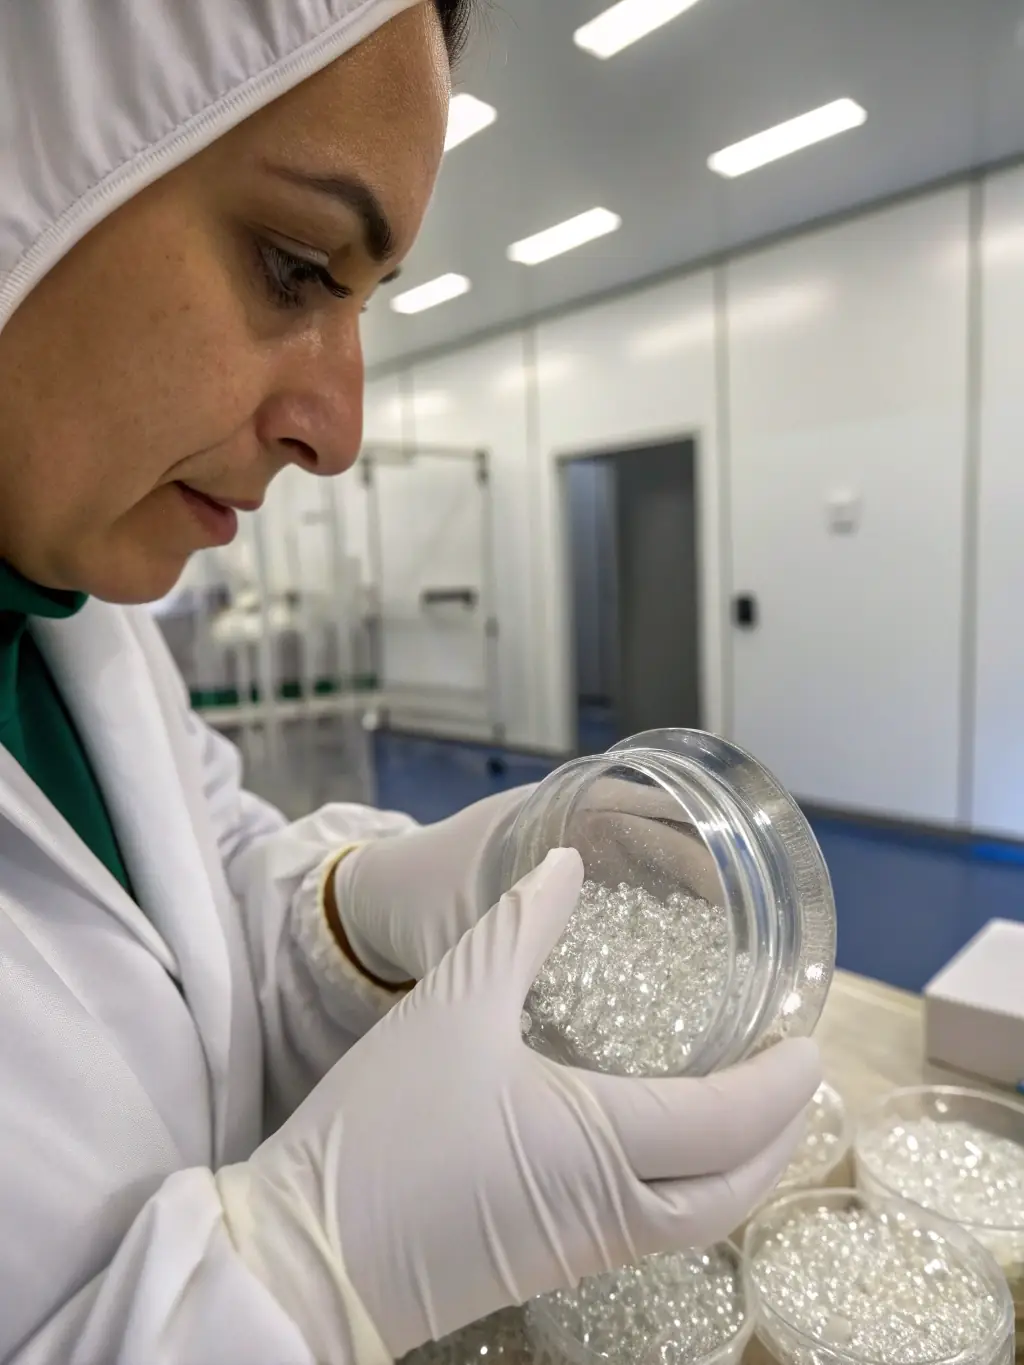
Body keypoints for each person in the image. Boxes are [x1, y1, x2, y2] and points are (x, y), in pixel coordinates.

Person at [0, 3, 822, 1362]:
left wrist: (360, 921)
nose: (341, 432)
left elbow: (193, 927)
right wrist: (311, 1275)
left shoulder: (78, 620)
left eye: (360, 301)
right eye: (294, 267)